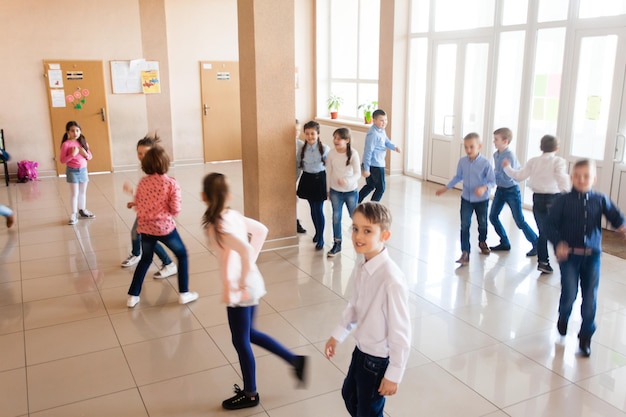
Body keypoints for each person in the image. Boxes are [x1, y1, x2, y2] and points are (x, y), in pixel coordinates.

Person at [202, 172, 307, 410]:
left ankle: (250, 394)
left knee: (241, 341)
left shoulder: (218, 225)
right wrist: (249, 267)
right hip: (251, 283)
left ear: (203, 196)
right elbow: (261, 231)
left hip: (241, 290)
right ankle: (295, 361)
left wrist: (241, 276)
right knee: (249, 334)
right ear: (228, 196)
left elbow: (245, 250)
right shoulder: (232, 216)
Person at [324, 202, 411, 417]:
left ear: (385, 235)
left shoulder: (391, 279)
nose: (358, 236)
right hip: (361, 351)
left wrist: (394, 373)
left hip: (377, 360)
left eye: (367, 231)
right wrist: (337, 335)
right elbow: (355, 305)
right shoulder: (363, 265)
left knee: (368, 411)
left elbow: (401, 332)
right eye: (355, 228)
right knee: (349, 394)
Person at [546, 159, 626, 357]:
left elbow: (615, 216)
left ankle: (585, 337)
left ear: (594, 179)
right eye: (577, 176)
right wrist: (558, 243)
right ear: (572, 178)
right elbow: (548, 225)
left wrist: (622, 225)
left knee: (590, 298)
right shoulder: (563, 201)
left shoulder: (600, 199)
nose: (582, 180)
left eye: (586, 176)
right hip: (569, 257)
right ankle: (563, 316)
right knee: (570, 294)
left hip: (592, 257)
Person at [126, 146, 198, 308]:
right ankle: (184, 293)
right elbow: (175, 209)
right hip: (165, 229)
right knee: (182, 254)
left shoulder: (143, 183)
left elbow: (140, 204)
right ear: (165, 163)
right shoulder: (171, 183)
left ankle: (133, 296)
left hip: (145, 229)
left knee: (145, 259)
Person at [504, 134, 570, 274]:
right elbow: (562, 179)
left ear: (541, 147)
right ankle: (565, 258)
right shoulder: (558, 161)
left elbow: (519, 176)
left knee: (543, 231)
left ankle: (543, 261)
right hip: (554, 199)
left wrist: (507, 168)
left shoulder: (533, 161)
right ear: (557, 148)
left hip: (537, 199)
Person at [121, 134, 178, 279]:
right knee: (137, 234)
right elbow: (146, 193)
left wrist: (136, 197)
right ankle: (137, 254)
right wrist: (135, 200)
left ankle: (168, 263)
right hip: (146, 211)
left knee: (142, 236)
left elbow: (159, 197)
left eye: (145, 153)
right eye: (139, 153)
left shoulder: (157, 171)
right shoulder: (145, 167)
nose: (141, 156)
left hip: (156, 215)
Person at [436, 132, 495, 265]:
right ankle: (465, 252)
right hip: (466, 199)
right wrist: (446, 188)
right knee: (465, 225)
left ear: (479, 146)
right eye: (466, 147)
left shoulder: (485, 163)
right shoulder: (462, 161)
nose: (468, 150)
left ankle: (482, 241)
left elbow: (492, 181)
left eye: (471, 147)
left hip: (482, 200)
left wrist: (484, 188)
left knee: (483, 223)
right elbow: (458, 177)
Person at [488, 127, 538, 255]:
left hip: (511, 191)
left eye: (496, 139)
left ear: (505, 141)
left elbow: (509, 175)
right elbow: (498, 174)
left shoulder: (510, 155)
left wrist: (493, 174)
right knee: (493, 216)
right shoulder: (496, 154)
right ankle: (504, 242)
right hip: (500, 190)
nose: (494, 142)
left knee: (519, 220)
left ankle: (536, 243)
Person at [326, 127, 361, 257]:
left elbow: (358, 173)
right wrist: (328, 190)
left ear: (347, 140)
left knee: (355, 217)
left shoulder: (353, 153)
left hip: (351, 191)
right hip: (335, 191)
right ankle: (337, 243)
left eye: (339, 138)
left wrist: (347, 181)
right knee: (336, 216)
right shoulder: (331, 154)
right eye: (334, 138)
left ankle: (360, 240)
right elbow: (328, 172)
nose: (336, 140)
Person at [297, 120, 330, 250]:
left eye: (313, 134)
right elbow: (298, 164)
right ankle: (317, 232)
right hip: (307, 179)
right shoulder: (302, 149)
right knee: (312, 208)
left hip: (320, 179)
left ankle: (321, 237)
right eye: (307, 134)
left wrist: (330, 186)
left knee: (319, 209)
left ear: (318, 134)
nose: (310, 136)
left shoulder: (325, 149)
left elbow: (330, 167)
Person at [358, 109, 401, 203]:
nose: (384, 122)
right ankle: (373, 207)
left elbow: (386, 141)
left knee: (370, 185)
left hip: (377, 163)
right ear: (374, 120)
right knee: (381, 188)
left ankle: (356, 201)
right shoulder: (373, 134)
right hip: (376, 165)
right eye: (381, 120)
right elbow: (368, 151)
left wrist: (394, 147)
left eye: (385, 120)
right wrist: (366, 168)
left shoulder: (381, 130)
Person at [59, 121, 95, 225]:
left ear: (80, 131)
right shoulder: (66, 144)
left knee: (82, 192)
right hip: (72, 171)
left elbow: (90, 157)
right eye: (72, 131)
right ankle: (73, 213)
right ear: (68, 132)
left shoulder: (83, 142)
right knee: (74, 193)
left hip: (83, 170)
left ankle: (82, 210)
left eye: (77, 130)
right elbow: (62, 160)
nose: (75, 133)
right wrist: (72, 155)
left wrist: (85, 154)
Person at [295, 119, 307, 234]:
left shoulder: (301, 145)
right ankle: (295, 220)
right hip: (285, 178)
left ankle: (295, 220)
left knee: (295, 199)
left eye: (298, 130)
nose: (296, 133)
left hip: (296, 177)